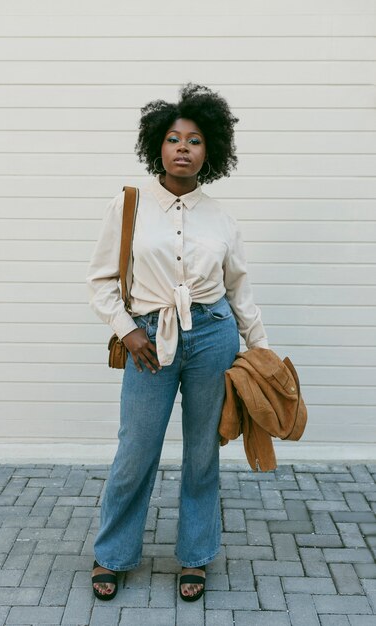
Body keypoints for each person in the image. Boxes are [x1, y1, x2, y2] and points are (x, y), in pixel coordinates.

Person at [86, 83, 269, 602]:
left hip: (213, 335)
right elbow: (100, 281)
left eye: (194, 139)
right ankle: (114, 554)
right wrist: (126, 330)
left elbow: (239, 289)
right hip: (149, 338)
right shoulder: (130, 206)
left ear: (210, 150)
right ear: (157, 146)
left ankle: (195, 556)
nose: (183, 147)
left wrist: (260, 351)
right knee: (135, 450)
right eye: (172, 138)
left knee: (202, 454)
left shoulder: (222, 218)